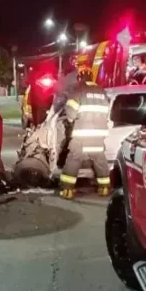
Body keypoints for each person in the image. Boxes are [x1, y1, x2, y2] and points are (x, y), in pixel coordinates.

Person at [59, 68, 111, 199]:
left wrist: (70, 120)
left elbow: (70, 113)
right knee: (100, 161)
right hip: (99, 136)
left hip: (82, 135)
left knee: (73, 160)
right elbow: (108, 112)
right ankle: (104, 188)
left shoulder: (78, 90)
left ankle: (68, 190)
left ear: (79, 77)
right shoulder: (101, 91)